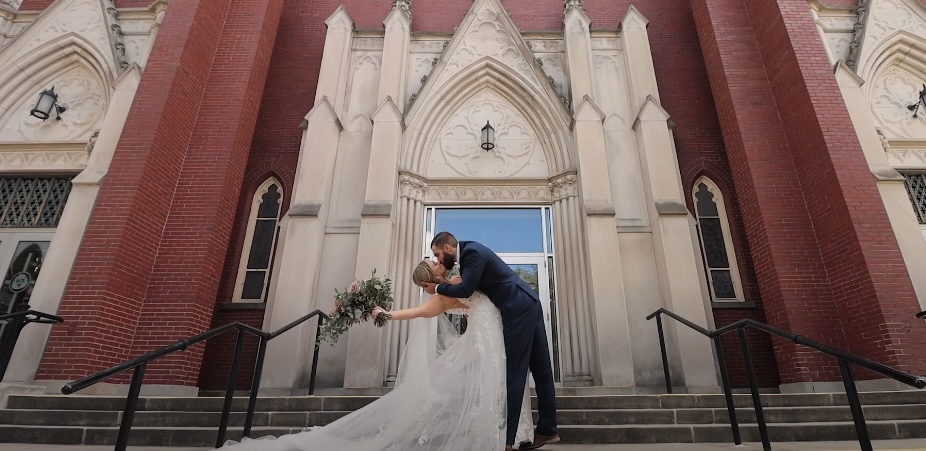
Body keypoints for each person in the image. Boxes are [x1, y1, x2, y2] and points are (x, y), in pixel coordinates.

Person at [219, 259, 533, 451]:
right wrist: (385, 314)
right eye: (433, 265)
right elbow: (417, 312)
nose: (438, 265)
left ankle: (511, 433)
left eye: (424, 278)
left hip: (493, 335)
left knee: (500, 380)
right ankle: (505, 435)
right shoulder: (444, 295)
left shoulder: (457, 284)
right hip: (487, 338)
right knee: (495, 381)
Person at [422, 232, 559, 451]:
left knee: (515, 372)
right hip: (529, 303)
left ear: (448, 247)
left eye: (437, 254)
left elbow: (466, 290)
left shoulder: (471, 253)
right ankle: (548, 430)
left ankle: (508, 440)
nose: (438, 260)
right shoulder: (469, 256)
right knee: (542, 371)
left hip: (518, 310)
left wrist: (437, 288)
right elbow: (466, 289)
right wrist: (441, 282)